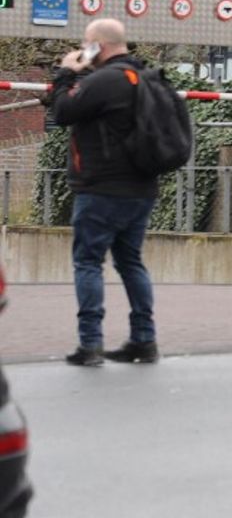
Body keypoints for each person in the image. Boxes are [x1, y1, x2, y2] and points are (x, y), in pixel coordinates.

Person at [44, 19, 160, 367]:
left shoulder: (104, 80)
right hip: (141, 188)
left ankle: (90, 344)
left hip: (101, 189)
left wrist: (66, 73)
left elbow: (62, 111)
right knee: (131, 262)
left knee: (88, 262)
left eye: (87, 43)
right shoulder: (145, 78)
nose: (83, 49)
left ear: (99, 45)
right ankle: (144, 340)